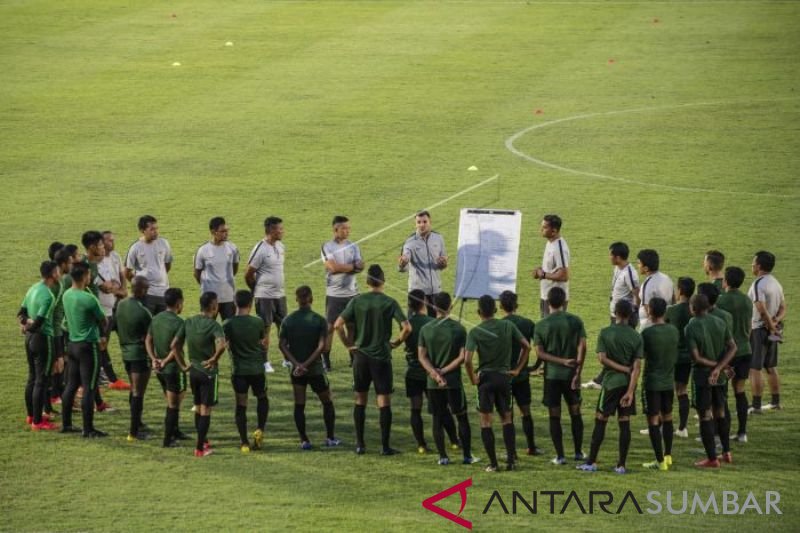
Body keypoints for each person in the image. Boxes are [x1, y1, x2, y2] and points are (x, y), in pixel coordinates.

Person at [334, 264, 410, 456]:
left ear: (367, 282)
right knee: (383, 401)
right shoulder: (389, 302)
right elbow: (407, 328)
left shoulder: (357, 301)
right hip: (381, 357)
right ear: (383, 282)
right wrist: (397, 342)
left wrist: (348, 345)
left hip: (361, 357)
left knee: (360, 399)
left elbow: (338, 325)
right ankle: (385, 446)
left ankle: (360, 444)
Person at [465, 295, 530, 472]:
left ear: (479, 312)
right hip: (504, 378)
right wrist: (517, 369)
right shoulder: (508, 326)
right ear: (495, 310)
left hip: (485, 379)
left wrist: (473, 379)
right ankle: (511, 461)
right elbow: (526, 346)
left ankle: (493, 463)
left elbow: (467, 360)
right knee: (507, 419)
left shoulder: (475, 332)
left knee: (486, 422)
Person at [577, 300, 642, 474]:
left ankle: (591, 462)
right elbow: (636, 368)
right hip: (628, 385)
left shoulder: (606, 332)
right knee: (624, 423)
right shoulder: (636, 336)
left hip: (611, 383)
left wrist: (620, 368)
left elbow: (602, 359)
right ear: (629, 315)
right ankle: (621, 465)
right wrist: (630, 391)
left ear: (615, 312)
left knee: (601, 420)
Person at [418, 291, 478, 466]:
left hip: (433, 383)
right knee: (461, 417)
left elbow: (422, 356)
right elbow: (462, 357)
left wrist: (434, 374)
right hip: (452, 381)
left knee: (437, 419)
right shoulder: (459, 329)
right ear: (450, 306)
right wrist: (443, 371)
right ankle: (467, 455)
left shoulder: (425, 329)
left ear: (434, 307)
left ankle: (443, 456)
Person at [279, 286, 341, 449]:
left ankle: (304, 440)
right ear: (311, 299)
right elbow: (322, 347)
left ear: (297, 300)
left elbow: (282, 345)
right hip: (315, 369)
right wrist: (306, 364)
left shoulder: (288, 320)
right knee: (327, 401)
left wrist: (296, 364)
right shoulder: (319, 320)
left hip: (296, 371)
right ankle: (330, 437)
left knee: (299, 404)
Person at [533, 287, 587, 466]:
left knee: (554, 415)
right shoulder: (575, 321)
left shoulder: (542, 325)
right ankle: (578, 452)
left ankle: (560, 455)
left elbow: (540, 354)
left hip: (552, 376)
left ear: (548, 302)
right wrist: (577, 371)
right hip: (571, 376)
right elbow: (582, 346)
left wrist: (560, 361)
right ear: (564, 302)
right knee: (575, 412)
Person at [402, 289, 459, 454]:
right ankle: (454, 441)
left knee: (415, 409)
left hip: (412, 372)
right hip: (430, 373)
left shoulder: (407, 323)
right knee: (441, 409)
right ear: (425, 303)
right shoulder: (430, 323)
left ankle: (421, 445)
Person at [686, 294, 737, 468]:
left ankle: (712, 459)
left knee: (705, 415)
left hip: (702, 377)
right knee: (720, 412)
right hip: (721, 378)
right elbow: (733, 347)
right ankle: (726, 452)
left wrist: (716, 368)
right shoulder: (719, 322)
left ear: (693, 308)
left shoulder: (691, 327)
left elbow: (697, 357)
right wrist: (722, 367)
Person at [175, 292, 226, 457]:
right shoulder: (214, 325)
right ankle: (199, 448)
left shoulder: (188, 321)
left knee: (197, 407)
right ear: (213, 306)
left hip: (193, 371)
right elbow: (222, 346)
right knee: (205, 409)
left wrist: (183, 365)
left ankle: (203, 441)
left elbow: (174, 345)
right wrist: (213, 359)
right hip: (208, 373)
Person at [582, 242, 640, 391]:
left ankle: (606, 380)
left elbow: (636, 295)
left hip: (624, 317)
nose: (609, 257)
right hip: (616, 315)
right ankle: (604, 379)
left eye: (611, 255)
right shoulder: (618, 268)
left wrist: (631, 314)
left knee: (619, 350)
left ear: (618, 257)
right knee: (615, 349)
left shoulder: (629, 273)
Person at [60, 263, 109, 437]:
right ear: (84, 276)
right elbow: (103, 321)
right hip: (88, 345)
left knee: (71, 385)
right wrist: (102, 336)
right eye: (89, 275)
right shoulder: (89, 299)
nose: (90, 278)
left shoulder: (66, 295)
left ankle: (66, 424)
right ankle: (88, 429)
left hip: (72, 344)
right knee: (89, 387)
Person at [223, 290, 269, 453]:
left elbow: (224, 344)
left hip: (239, 371)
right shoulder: (258, 322)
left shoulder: (228, 324)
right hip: (257, 369)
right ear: (250, 304)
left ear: (235, 303)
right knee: (262, 398)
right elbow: (263, 342)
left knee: (241, 405)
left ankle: (244, 442)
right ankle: (260, 430)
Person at [18, 261, 60, 430]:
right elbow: (39, 324)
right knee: (41, 380)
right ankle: (38, 421)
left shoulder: (33, 288)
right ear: (52, 274)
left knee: (32, 377)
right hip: (43, 339)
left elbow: (21, 313)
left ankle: (31, 416)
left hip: (29, 339)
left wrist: (25, 323)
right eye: (57, 271)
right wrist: (31, 323)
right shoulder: (48, 296)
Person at [499, 290, 542, 456]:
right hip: (522, 375)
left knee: (507, 416)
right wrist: (535, 366)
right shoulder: (528, 323)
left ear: (501, 306)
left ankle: (512, 453)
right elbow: (539, 348)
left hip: (504, 376)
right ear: (516, 305)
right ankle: (531, 447)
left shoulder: (499, 325)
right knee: (526, 412)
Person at [639, 298, 679, 471]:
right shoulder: (673, 331)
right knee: (668, 416)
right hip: (669, 381)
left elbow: (642, 356)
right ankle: (668, 455)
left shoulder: (647, 334)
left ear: (650, 311)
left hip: (652, 382)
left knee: (653, 419)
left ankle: (659, 460)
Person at [145, 288, 188, 448]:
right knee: (174, 404)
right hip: (174, 369)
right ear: (179, 303)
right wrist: (164, 361)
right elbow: (175, 348)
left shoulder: (156, 318)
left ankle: (175, 431)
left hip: (160, 370)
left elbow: (148, 340)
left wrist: (154, 358)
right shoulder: (179, 323)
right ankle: (168, 439)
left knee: (171, 401)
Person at [322, 215, 364, 371]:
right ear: (335, 230)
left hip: (352, 294)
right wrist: (352, 266)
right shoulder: (327, 246)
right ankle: (326, 359)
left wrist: (348, 266)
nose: (347, 231)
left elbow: (361, 266)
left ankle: (353, 357)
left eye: (348, 228)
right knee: (330, 328)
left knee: (352, 326)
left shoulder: (354, 246)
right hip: (334, 295)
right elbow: (333, 267)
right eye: (344, 228)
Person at [114, 276, 153, 441]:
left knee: (134, 390)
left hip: (125, 353)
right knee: (138, 392)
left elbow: (114, 326)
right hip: (139, 355)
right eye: (146, 289)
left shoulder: (120, 305)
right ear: (142, 290)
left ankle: (137, 423)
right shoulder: (143, 312)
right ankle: (134, 431)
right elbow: (151, 336)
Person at [717, 266, 753, 442]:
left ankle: (721, 432)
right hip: (745, 349)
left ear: (726, 281)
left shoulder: (721, 301)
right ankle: (742, 433)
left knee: (722, 391)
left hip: (728, 352)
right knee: (740, 391)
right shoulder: (747, 300)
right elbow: (749, 325)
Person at [747, 251, 786, 413]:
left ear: (759, 266)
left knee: (755, 368)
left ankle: (756, 406)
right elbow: (784, 307)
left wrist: (770, 326)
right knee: (770, 366)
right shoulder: (776, 283)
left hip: (759, 330)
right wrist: (775, 324)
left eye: (753, 262)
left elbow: (761, 309)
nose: (752, 265)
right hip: (772, 331)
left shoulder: (759, 284)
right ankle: (775, 402)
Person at [245, 216, 286, 372]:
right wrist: (256, 290)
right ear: (270, 230)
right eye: (279, 229)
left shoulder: (281, 246)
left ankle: (286, 358)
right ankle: (265, 361)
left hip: (280, 295)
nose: (282, 231)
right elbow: (248, 273)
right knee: (265, 329)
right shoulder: (260, 248)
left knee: (284, 327)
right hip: (265, 296)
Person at [398, 210, 448, 316]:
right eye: (419, 222)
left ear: (430, 222)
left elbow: (443, 263)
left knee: (434, 327)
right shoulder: (409, 242)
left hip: (435, 292)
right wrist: (402, 263)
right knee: (416, 326)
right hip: (417, 294)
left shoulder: (439, 238)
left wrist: (443, 263)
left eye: (425, 221)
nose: (422, 225)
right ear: (415, 224)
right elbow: (403, 265)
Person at [125, 215, 173, 315]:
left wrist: (159, 276)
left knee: (161, 325)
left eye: (156, 228)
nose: (155, 231)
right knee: (147, 325)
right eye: (152, 229)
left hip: (164, 293)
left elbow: (167, 264)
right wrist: (140, 285)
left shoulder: (164, 243)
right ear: (142, 230)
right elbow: (127, 272)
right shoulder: (135, 248)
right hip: (147, 295)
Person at [665, 277, 694, 438]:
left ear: (680, 291)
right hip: (689, 357)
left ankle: (663, 424)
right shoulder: (694, 310)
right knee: (682, 390)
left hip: (673, 356)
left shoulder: (671, 310)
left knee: (668, 390)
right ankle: (682, 428)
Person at [195, 217, 240, 321]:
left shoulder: (233, 248)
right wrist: (207, 286)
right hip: (210, 299)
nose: (226, 233)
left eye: (227, 230)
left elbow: (235, 268)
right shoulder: (203, 250)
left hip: (228, 297)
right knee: (207, 329)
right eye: (223, 231)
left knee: (229, 330)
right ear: (213, 232)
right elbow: (197, 273)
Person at [532, 214, 570, 318]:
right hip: (546, 294)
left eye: (544, 227)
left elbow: (564, 275)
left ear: (554, 231)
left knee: (552, 330)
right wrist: (540, 271)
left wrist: (543, 274)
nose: (541, 229)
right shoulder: (550, 243)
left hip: (555, 300)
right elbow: (553, 269)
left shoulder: (559, 247)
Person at [636, 249, 673, 330]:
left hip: (651, 326)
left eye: (639, 263)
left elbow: (647, 310)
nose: (637, 266)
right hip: (666, 322)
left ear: (646, 268)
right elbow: (673, 300)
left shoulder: (648, 284)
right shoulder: (666, 278)